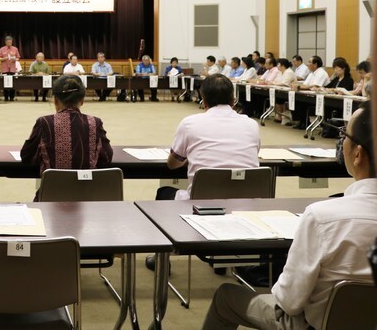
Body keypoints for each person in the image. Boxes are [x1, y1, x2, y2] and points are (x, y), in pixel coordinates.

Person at [203, 104, 377, 330]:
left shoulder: (323, 217)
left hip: (313, 325)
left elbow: (289, 302)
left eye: (344, 134)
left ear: (358, 154)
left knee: (226, 297)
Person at [159, 74, 260, 200]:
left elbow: (172, 164)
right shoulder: (252, 125)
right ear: (233, 100)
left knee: (163, 192)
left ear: (204, 100)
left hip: (202, 201)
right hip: (247, 202)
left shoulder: (189, 123)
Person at [20, 74, 113, 200]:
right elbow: (107, 157)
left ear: (56, 100)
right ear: (82, 101)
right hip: (88, 201)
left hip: (50, 199)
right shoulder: (95, 123)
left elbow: (27, 156)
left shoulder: (45, 123)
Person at [273, 58, 298, 125]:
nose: (277, 66)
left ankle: (283, 116)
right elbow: (275, 81)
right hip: (282, 91)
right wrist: (274, 83)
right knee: (277, 98)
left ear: (283, 65)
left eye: (278, 64)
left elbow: (284, 83)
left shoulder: (289, 72)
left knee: (279, 98)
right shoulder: (280, 72)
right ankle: (280, 115)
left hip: (291, 93)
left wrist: (274, 83)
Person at [0, 36, 21, 102]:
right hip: (5, 69)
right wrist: (4, 58)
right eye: (8, 42)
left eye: (10, 42)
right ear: (5, 42)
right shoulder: (2, 49)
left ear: (12, 42)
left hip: (12, 69)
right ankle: (6, 97)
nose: (9, 43)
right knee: (5, 83)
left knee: (12, 84)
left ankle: (12, 97)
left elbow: (18, 57)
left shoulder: (15, 49)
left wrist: (15, 59)